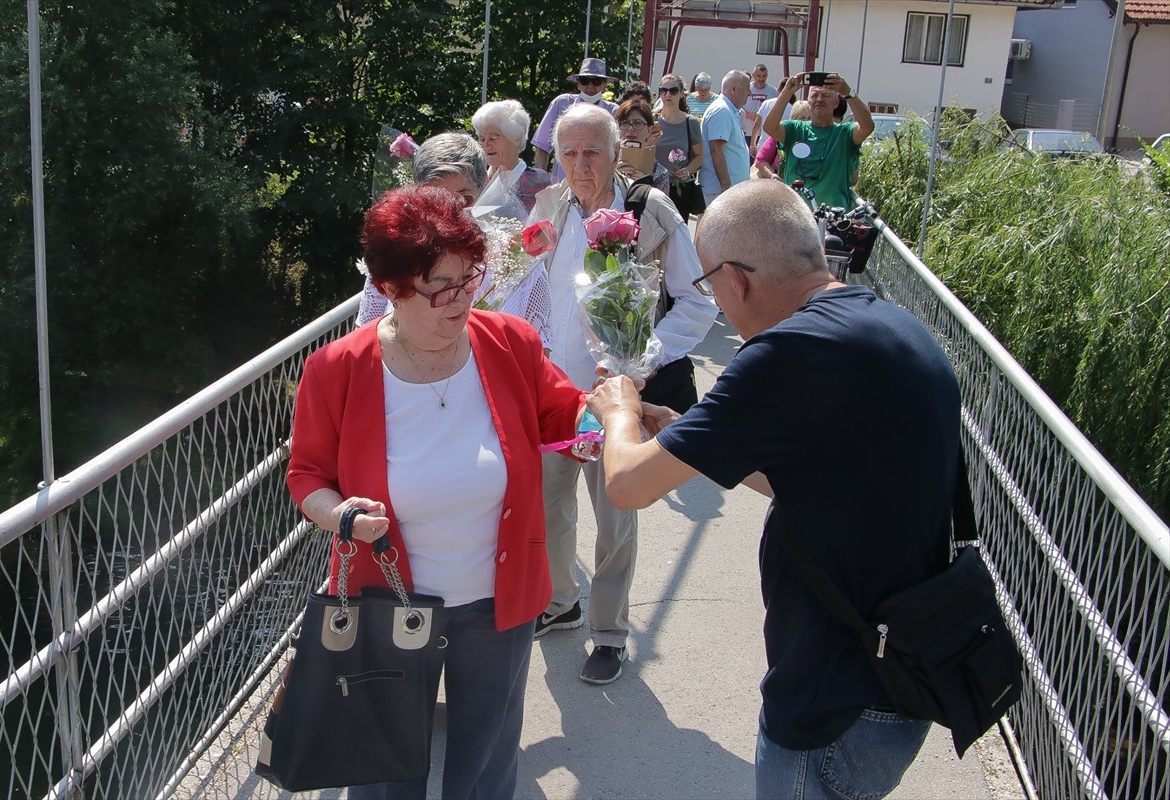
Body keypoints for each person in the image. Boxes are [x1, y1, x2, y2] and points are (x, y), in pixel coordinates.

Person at [585, 179, 961, 800]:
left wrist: (618, 411)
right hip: (901, 673)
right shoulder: (891, 325)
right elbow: (811, 475)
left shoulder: (783, 358)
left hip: (829, 700)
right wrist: (690, 438)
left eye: (709, 287)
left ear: (735, 280)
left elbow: (626, 484)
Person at [287, 185, 588, 800]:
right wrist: (341, 515)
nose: (462, 298)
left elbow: (565, 413)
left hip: (498, 602)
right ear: (392, 289)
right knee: (384, 770)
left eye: (469, 277)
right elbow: (307, 476)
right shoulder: (336, 369)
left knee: (486, 761)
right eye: (439, 287)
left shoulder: (510, 342)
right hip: (386, 604)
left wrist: (612, 413)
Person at [530, 103, 717, 685]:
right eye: (569, 152)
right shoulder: (549, 205)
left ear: (617, 152)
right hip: (551, 392)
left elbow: (698, 301)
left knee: (614, 516)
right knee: (548, 506)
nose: (580, 164)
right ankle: (560, 601)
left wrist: (640, 364)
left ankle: (609, 633)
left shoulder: (648, 209)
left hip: (612, 397)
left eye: (592, 151)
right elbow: (527, 287)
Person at [357, 133, 552, 349]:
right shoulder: (394, 256)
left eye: (462, 199)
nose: (449, 213)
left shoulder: (520, 260)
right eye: (435, 200)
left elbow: (539, 353)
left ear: (485, 189)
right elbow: (366, 339)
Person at [763, 72, 874, 210]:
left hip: (833, 217)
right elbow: (769, 127)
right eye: (814, 95)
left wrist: (848, 92)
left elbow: (868, 126)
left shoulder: (845, 133)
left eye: (826, 95)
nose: (819, 99)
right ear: (808, 101)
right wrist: (787, 92)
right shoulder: (795, 129)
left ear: (836, 103)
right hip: (795, 215)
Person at [532, 57, 619, 181]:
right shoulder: (560, 104)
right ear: (578, 83)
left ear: (605, 85)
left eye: (596, 81)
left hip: (597, 182)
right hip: (562, 183)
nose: (590, 86)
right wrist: (541, 182)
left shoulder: (614, 111)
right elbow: (542, 148)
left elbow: (618, 153)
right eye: (585, 81)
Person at [472, 98, 551, 213]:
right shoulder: (475, 178)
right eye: (482, 138)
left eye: (493, 138)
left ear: (516, 139)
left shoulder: (537, 181)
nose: (485, 144)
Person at [654, 73, 706, 221]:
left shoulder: (691, 122)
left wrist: (687, 170)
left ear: (682, 93)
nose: (667, 94)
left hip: (680, 188)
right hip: (655, 187)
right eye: (663, 90)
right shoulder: (652, 120)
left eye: (673, 90)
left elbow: (699, 156)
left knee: (678, 231)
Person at [699, 70, 751, 204]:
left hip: (727, 192)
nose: (750, 93)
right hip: (721, 192)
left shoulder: (728, 110)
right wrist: (726, 187)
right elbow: (716, 150)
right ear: (734, 89)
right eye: (747, 88)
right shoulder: (722, 110)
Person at [614, 98, 672, 195]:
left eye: (638, 123)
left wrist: (646, 188)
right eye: (624, 123)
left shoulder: (660, 174)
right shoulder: (606, 164)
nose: (630, 128)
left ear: (649, 130)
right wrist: (613, 178)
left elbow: (661, 204)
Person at [754, 102, 811, 180]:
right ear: (793, 119)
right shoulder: (779, 135)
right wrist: (772, 175)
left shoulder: (818, 138)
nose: (806, 122)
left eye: (809, 118)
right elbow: (761, 160)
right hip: (781, 184)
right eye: (802, 118)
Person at [752, 77, 795, 153]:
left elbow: (757, 125)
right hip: (781, 149)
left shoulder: (766, 103)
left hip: (763, 147)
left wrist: (753, 144)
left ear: (778, 90)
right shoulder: (792, 108)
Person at [743, 64, 774, 152]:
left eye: (764, 76)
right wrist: (749, 115)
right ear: (753, 75)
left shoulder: (773, 92)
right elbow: (737, 108)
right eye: (759, 76)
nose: (761, 79)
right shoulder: (746, 89)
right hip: (747, 133)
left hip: (764, 135)